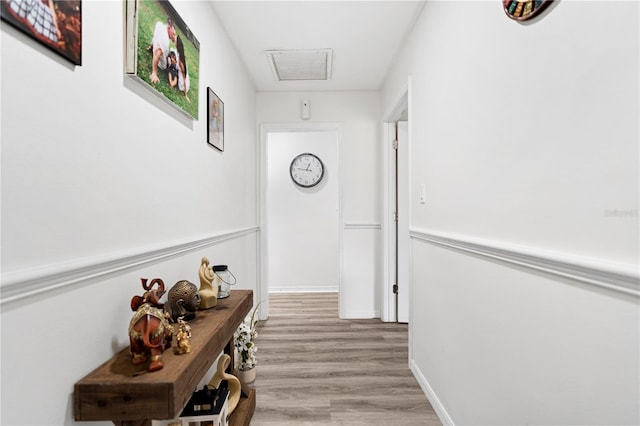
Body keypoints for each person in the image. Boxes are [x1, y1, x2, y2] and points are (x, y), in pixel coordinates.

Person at [149, 17, 177, 84]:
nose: (174, 35)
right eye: (173, 33)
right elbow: (157, 54)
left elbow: (155, 38)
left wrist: (151, 47)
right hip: (163, 64)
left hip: (163, 55)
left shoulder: (159, 24)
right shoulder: (165, 41)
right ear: (169, 28)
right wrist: (154, 72)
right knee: (176, 63)